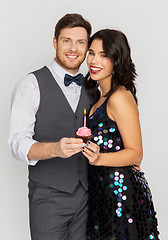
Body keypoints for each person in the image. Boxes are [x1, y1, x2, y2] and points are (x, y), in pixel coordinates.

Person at [8, 13, 93, 240]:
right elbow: (17, 142)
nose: (73, 48)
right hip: (47, 197)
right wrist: (55, 149)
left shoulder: (94, 88)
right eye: (67, 41)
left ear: (87, 48)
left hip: (88, 196)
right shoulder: (30, 85)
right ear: (55, 42)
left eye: (80, 42)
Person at [83, 29, 160, 239]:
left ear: (117, 60)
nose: (94, 60)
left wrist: (99, 158)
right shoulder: (98, 97)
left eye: (103, 55)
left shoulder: (119, 97)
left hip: (120, 194)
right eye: (91, 53)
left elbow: (136, 153)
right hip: (100, 192)